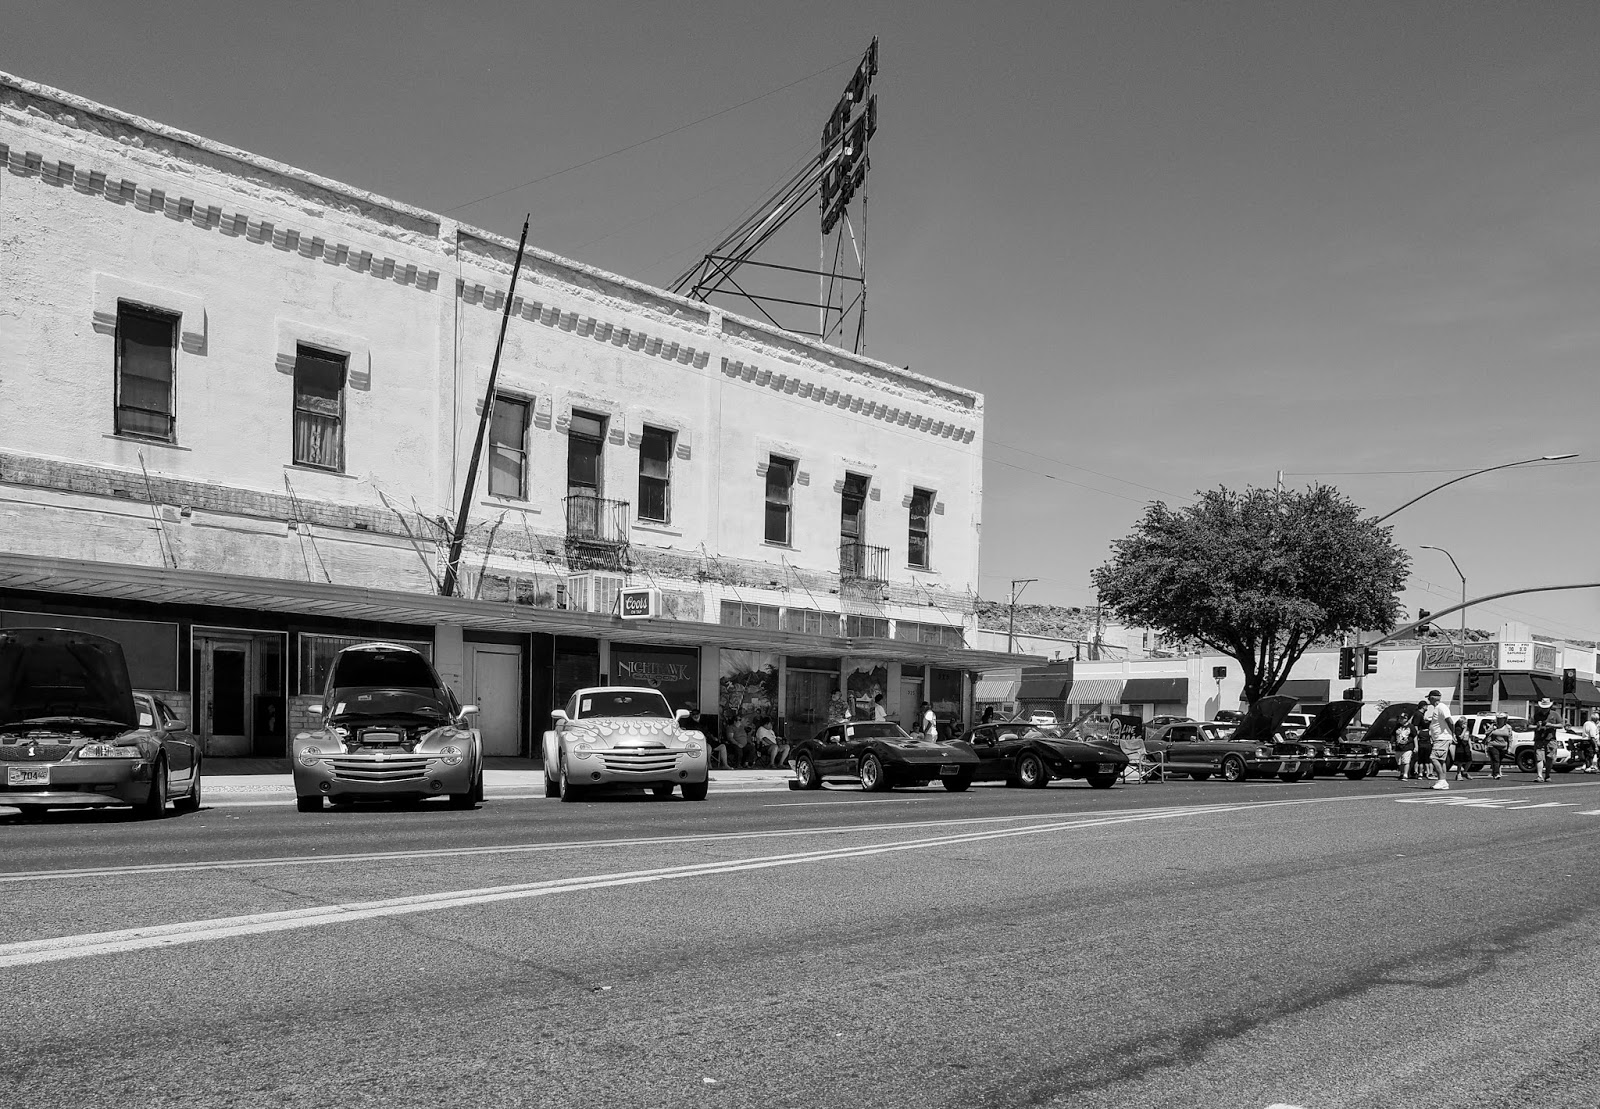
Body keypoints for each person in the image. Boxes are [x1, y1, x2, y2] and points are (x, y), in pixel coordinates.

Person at [1420, 689, 1454, 790]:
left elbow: (1449, 720)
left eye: (1429, 698)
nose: (1429, 701)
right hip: (1439, 738)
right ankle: (1443, 781)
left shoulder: (1441, 707)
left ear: (1433, 698)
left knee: (1433, 758)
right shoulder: (1437, 708)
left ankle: (1441, 780)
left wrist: (1453, 733)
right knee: (1441, 760)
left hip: (1442, 738)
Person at [1531, 697, 1559, 782]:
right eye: (1543, 708)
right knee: (1539, 757)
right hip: (1539, 739)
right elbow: (1529, 726)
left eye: (1546, 708)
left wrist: (1551, 725)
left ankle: (1547, 775)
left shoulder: (1555, 714)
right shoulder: (1536, 715)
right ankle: (1539, 776)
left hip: (1550, 739)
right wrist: (1537, 726)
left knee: (1550, 758)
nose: (1544, 710)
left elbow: (1561, 725)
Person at [1486, 711, 1513, 780]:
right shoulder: (1493, 726)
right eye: (1499, 718)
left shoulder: (1508, 727)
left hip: (1503, 746)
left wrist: (1509, 748)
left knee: (1499, 760)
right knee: (1496, 759)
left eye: (1502, 719)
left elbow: (1510, 738)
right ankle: (1496, 774)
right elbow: (1487, 734)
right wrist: (1492, 729)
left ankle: (1494, 771)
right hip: (1493, 745)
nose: (1500, 720)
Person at [1391, 716, 1417, 781]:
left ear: (1406, 719)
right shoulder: (1397, 726)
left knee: (1406, 761)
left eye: (1403, 718)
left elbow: (1415, 736)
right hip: (1398, 747)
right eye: (1400, 718)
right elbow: (1393, 735)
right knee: (1399, 762)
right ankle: (1402, 773)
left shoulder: (1411, 727)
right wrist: (1391, 743)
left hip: (1408, 746)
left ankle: (1405, 775)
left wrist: (1416, 746)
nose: (1401, 720)